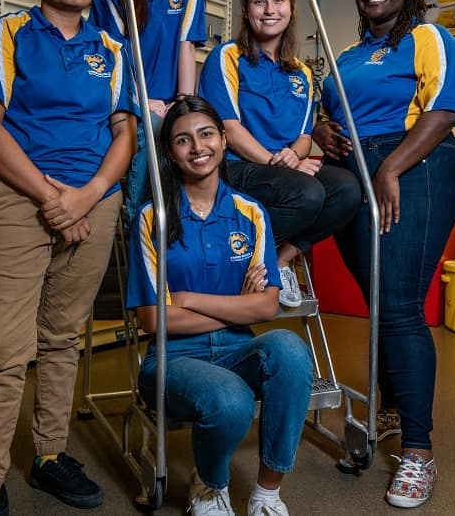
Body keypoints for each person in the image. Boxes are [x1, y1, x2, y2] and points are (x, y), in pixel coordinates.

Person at [0, 0, 137, 516]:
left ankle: (50, 456)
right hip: (19, 198)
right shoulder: (9, 34)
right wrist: (53, 198)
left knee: (61, 340)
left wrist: (91, 193)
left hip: (94, 204)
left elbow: (124, 131)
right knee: (3, 347)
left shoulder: (112, 51)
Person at [313, 0, 455, 509]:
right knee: (380, 303)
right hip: (356, 172)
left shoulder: (429, 39)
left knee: (402, 304)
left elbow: (446, 108)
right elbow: (328, 111)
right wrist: (324, 132)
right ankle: (389, 408)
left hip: (416, 169)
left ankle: (419, 452)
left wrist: (392, 166)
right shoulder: (349, 54)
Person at [126, 96, 315, 516]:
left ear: (224, 140)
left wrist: (190, 300)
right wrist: (237, 303)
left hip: (235, 348)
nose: (197, 147)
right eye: (182, 140)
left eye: (206, 134)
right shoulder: (152, 218)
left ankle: (268, 492)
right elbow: (154, 319)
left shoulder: (251, 213)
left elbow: (266, 308)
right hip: (172, 358)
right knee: (230, 398)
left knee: (290, 350)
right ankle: (210, 486)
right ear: (171, 154)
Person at [197, 0, 360, 307]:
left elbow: (303, 135)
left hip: (282, 170)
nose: (270, 10)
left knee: (347, 189)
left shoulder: (301, 72)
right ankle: (242, 262)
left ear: (291, 8)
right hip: (237, 168)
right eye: (260, 2)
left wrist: (294, 156)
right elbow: (227, 127)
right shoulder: (227, 56)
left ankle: (278, 261)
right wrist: (278, 162)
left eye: (278, 1)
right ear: (246, 10)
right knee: (308, 193)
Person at [90, 0, 206, 219]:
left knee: (196, 132)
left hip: (169, 101)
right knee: (150, 130)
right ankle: (140, 224)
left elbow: (187, 42)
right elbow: (111, 53)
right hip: (126, 101)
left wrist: (183, 103)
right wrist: (142, 100)